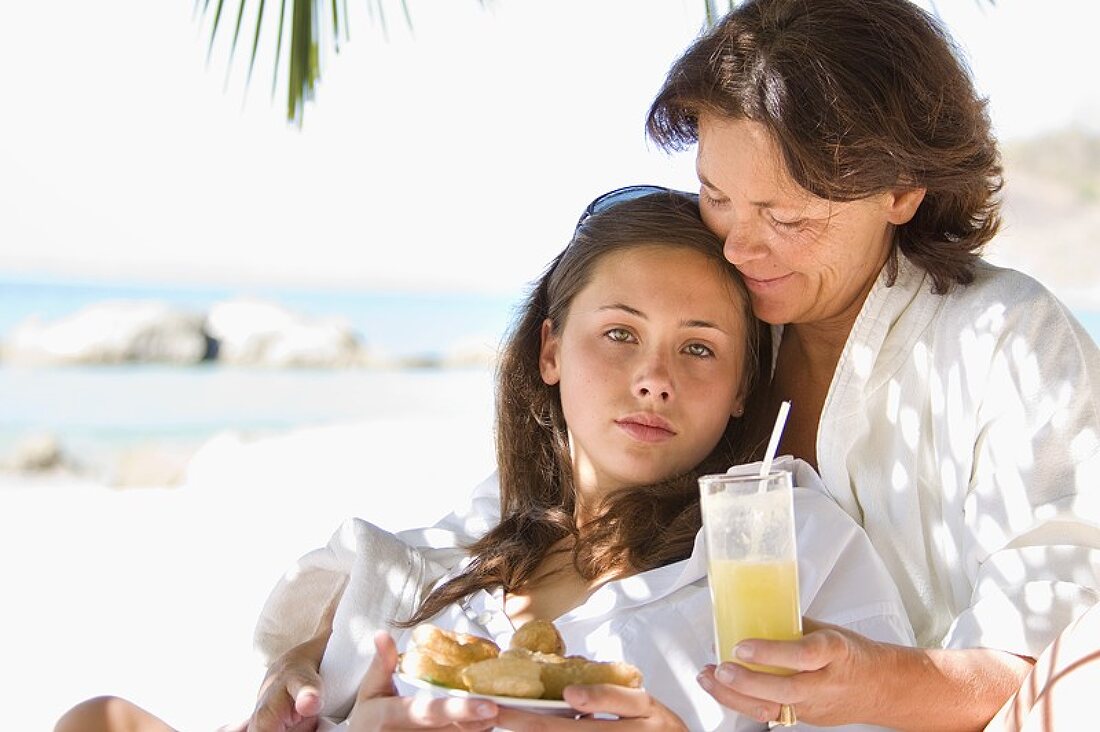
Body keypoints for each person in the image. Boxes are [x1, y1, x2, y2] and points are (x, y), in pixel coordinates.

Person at [54, 188, 914, 732]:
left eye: (699, 349)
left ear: (739, 390)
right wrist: (297, 677)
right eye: (619, 334)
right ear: (550, 351)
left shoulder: (777, 537)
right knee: (97, 719)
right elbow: (325, 653)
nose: (653, 379)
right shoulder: (466, 544)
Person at [643, 0, 1100, 729]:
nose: (737, 246)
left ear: (901, 190)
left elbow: (1058, 668)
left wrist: (872, 683)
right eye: (716, 196)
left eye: (786, 217)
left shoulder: (1007, 343)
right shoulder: (702, 330)